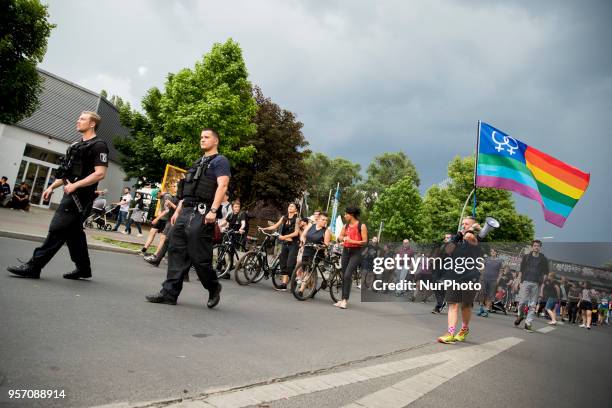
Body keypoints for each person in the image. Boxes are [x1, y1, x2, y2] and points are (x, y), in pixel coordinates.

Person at [7, 111, 108, 279]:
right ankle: (84, 269)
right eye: (78, 117)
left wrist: (75, 185)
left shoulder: (99, 145)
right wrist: (52, 187)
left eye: (82, 119)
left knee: (57, 229)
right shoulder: (76, 145)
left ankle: (34, 266)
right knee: (74, 234)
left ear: (92, 124)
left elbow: (100, 173)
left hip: (80, 197)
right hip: (71, 193)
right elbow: (68, 173)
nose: (78, 121)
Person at [146, 128, 229, 308]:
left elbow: (222, 185)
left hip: (202, 212)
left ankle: (213, 287)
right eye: (201, 137)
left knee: (199, 258)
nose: (202, 140)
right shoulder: (197, 162)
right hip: (185, 211)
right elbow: (186, 192)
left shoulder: (220, 161)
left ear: (216, 141)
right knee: (176, 251)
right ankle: (169, 293)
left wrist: (213, 210)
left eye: (206, 137)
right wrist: (177, 211)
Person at [437, 217, 483, 344]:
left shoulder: (476, 238)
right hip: (454, 276)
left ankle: (464, 329)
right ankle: (450, 333)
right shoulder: (457, 238)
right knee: (453, 304)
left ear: (473, 226)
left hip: (470, 277)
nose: (463, 225)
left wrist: (471, 230)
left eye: (466, 224)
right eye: (462, 224)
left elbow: (470, 238)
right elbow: (448, 250)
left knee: (466, 306)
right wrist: (458, 236)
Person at [261, 203, 300, 290]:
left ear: (296, 210)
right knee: (283, 264)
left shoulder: (297, 219)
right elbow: (275, 226)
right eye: (289, 206)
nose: (290, 207)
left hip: (293, 244)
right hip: (285, 244)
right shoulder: (284, 218)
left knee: (290, 265)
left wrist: (284, 237)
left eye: (292, 206)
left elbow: (296, 233)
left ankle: (295, 279)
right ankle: (284, 284)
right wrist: (265, 228)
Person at [336, 206, 368, 309]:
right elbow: (340, 237)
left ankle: (345, 300)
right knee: (343, 275)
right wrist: (342, 238)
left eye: (346, 214)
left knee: (347, 275)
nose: (345, 216)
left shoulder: (361, 226)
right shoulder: (345, 226)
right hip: (346, 251)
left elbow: (365, 241)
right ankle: (342, 299)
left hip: (356, 252)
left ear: (352, 215)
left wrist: (352, 241)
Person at [514, 240, 549, 332]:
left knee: (533, 305)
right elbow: (521, 271)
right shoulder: (526, 257)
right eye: (534, 245)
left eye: (538, 246)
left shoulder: (543, 259)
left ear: (540, 247)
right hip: (525, 282)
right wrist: (517, 282)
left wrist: (542, 285)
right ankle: (521, 316)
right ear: (532, 247)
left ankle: (528, 323)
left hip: (536, 284)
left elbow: (546, 273)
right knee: (522, 302)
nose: (536, 247)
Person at [296, 212, 332, 295]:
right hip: (307, 249)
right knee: (305, 269)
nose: (324, 221)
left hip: (317, 252)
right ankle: (312, 288)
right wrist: (302, 241)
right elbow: (303, 235)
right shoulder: (310, 226)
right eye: (323, 219)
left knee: (309, 271)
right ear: (318, 219)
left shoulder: (326, 231)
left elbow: (326, 244)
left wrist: (320, 247)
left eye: (326, 220)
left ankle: (301, 290)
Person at [144, 183, 179, 267]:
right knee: (162, 237)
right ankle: (153, 254)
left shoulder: (169, 197)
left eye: (174, 186)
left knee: (167, 239)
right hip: (168, 219)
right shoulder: (169, 197)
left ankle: (158, 256)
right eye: (172, 186)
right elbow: (165, 208)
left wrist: (158, 218)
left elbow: (175, 210)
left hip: (171, 220)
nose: (173, 187)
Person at [479, 248, 503, 317]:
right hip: (484, 279)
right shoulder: (486, 259)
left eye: (494, 251)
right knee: (481, 292)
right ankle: (481, 308)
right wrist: (481, 275)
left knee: (490, 295)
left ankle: (486, 311)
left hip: (493, 280)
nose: (492, 252)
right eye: (492, 251)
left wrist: (498, 279)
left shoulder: (499, 261)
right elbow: (482, 267)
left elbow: (501, 271)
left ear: (496, 253)